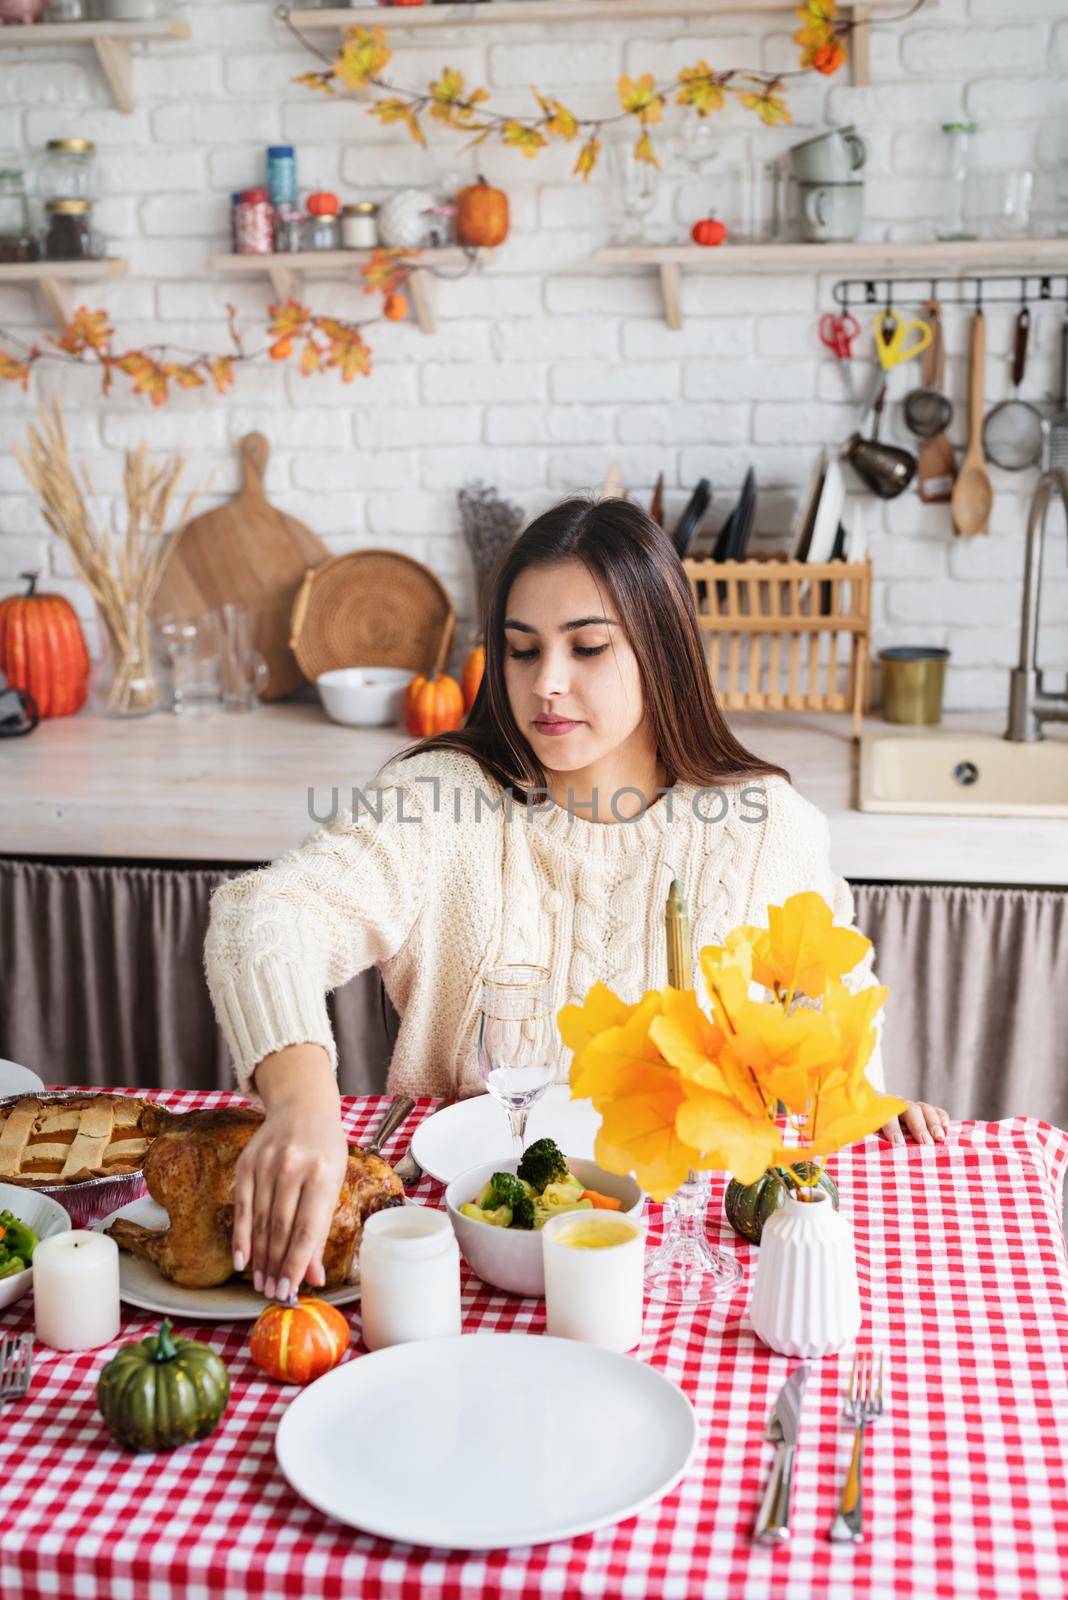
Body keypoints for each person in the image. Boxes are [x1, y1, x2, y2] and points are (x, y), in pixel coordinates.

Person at [205, 496, 949, 1301]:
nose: (546, 686)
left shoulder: (765, 826)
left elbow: (838, 1014)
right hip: (459, 1244)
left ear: (660, 650)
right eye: (522, 652)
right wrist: (303, 1106)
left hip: (680, 1259)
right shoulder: (439, 800)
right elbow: (261, 917)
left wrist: (864, 1095)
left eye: (587, 647)